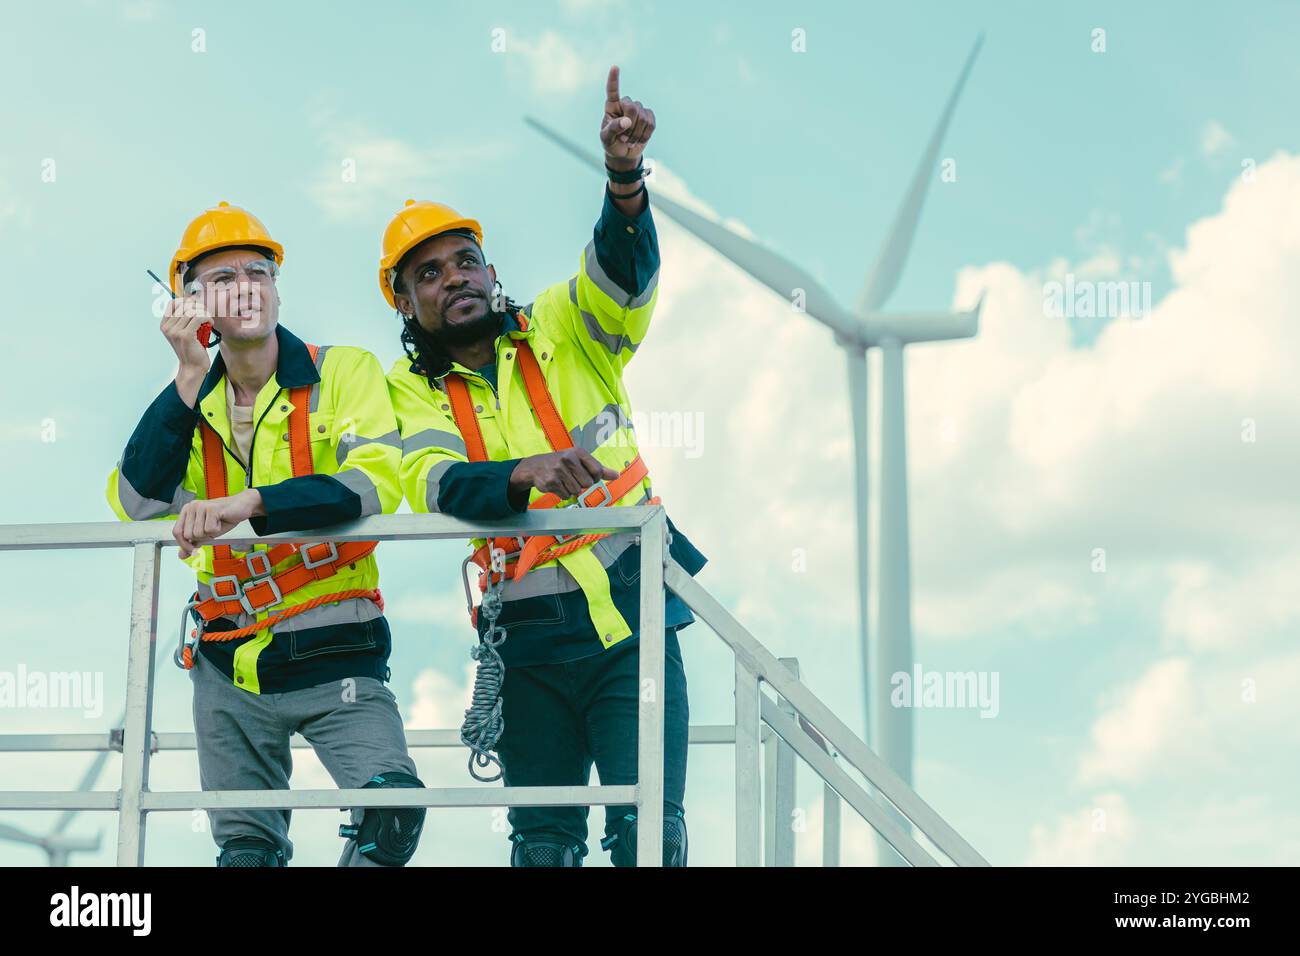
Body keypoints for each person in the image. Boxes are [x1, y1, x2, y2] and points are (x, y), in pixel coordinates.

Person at [384, 67, 704, 866]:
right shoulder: (404, 393)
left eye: (467, 260)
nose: (455, 276)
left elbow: (623, 275)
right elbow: (438, 483)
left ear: (491, 272)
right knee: (543, 846)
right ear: (405, 304)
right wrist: (525, 471)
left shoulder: (566, 321)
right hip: (524, 643)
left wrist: (624, 179)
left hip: (633, 620)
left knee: (647, 837)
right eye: (429, 273)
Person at [106, 202, 425, 867]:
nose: (247, 285)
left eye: (259, 271)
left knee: (392, 815)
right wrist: (187, 375)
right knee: (245, 854)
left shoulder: (345, 371)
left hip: (339, 649)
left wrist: (243, 505)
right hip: (229, 664)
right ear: (190, 306)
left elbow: (372, 484)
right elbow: (136, 501)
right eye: (223, 278)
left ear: (278, 290)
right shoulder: (188, 404)